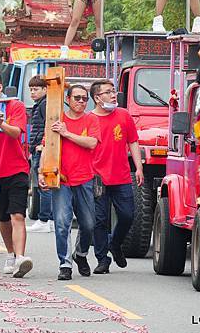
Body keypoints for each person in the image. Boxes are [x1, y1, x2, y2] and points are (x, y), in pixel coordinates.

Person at [38, 85, 100, 280]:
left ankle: (80, 254)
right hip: (62, 179)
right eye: (77, 98)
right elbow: (47, 146)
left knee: (89, 224)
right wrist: (42, 171)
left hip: (84, 178)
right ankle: (65, 264)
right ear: (67, 98)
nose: (81, 102)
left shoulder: (91, 119)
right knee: (62, 223)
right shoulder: (57, 120)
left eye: (84, 99)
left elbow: (91, 143)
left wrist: (67, 134)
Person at [0, 71, 33, 278]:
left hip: (17, 169)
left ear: (0, 88)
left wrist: (0, 122)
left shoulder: (15, 106)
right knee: (3, 218)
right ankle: (10, 253)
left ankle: (20, 257)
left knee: (17, 215)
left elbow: (17, 133)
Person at [90, 79, 143, 274]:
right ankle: (102, 259)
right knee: (100, 220)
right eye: (108, 92)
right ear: (97, 98)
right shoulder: (89, 119)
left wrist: (139, 168)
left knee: (127, 215)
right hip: (97, 178)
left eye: (114, 91)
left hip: (121, 176)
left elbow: (133, 142)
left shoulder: (124, 115)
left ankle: (115, 243)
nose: (114, 95)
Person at [28, 76, 54, 233]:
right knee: (42, 185)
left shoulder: (45, 105)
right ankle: (48, 219)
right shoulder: (40, 104)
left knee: (43, 185)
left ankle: (44, 219)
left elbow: (48, 126)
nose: (32, 92)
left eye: (36, 89)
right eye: (31, 89)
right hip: (38, 148)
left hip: (42, 149)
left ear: (45, 89)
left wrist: (42, 145)